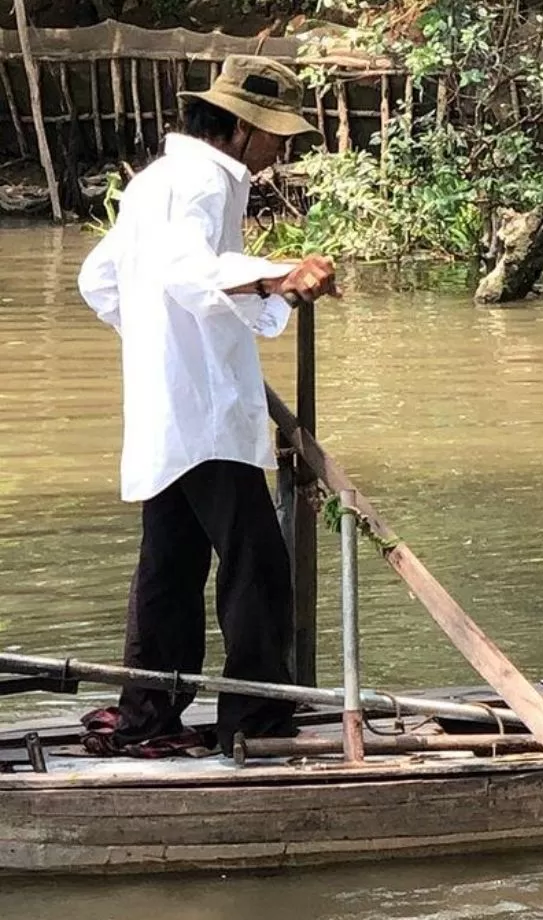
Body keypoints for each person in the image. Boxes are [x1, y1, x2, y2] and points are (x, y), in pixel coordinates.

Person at [75, 56, 339, 756]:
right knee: (257, 565)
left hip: (174, 408)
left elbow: (100, 281)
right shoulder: (200, 179)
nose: (280, 151)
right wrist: (278, 275)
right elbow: (188, 271)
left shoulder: (155, 182)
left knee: (171, 564)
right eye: (275, 136)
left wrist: (165, 344)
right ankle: (254, 725)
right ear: (241, 128)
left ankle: (148, 716)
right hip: (204, 412)